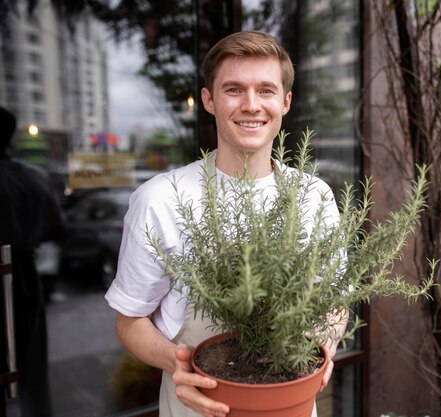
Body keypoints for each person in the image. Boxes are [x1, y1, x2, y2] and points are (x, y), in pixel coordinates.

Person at [105, 30, 345, 417]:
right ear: (209, 100)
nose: (251, 105)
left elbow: (333, 302)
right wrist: (177, 361)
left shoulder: (313, 196)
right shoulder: (160, 199)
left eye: (266, 90)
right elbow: (129, 320)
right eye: (234, 89)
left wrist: (321, 347)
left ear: (285, 102)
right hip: (199, 403)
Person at [0, 106, 65, 417]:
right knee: (32, 363)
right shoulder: (32, 177)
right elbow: (57, 227)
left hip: (20, 270)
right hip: (25, 272)